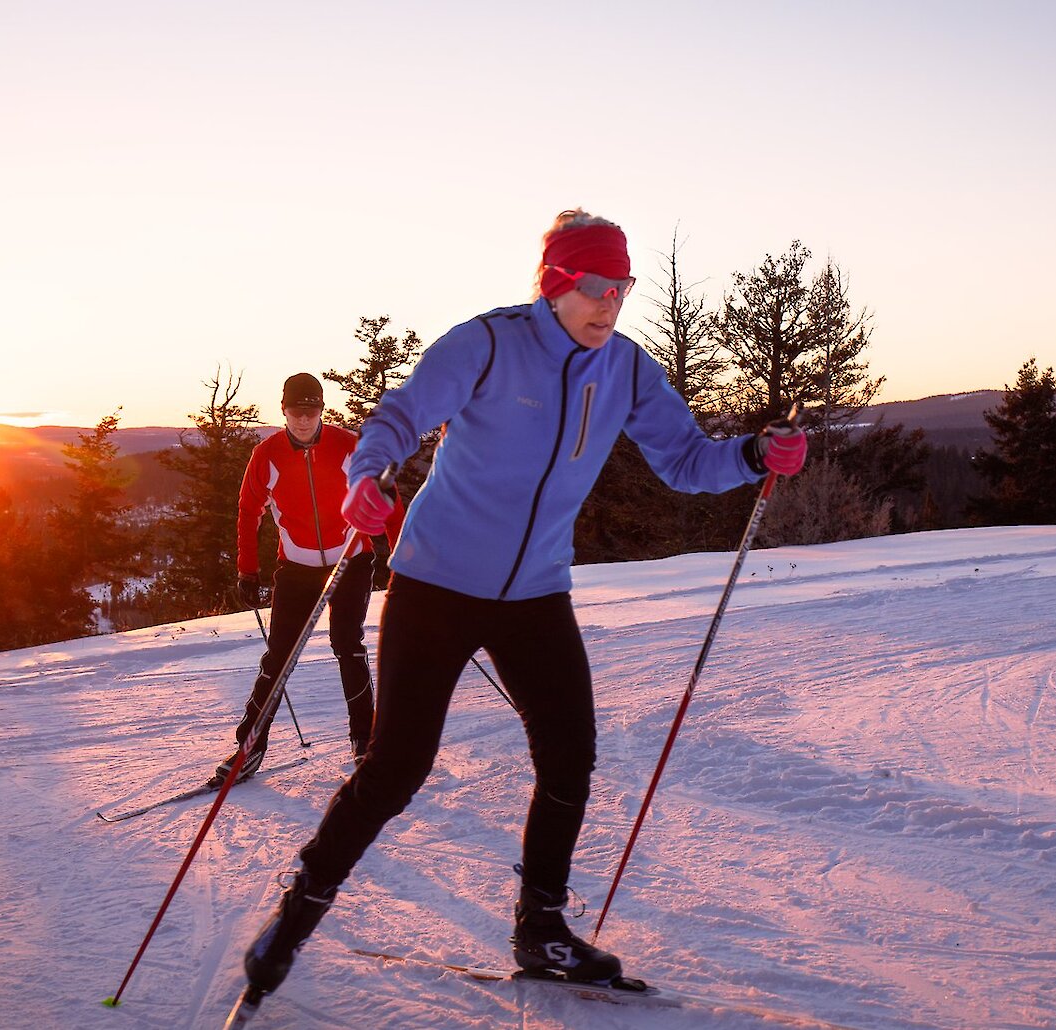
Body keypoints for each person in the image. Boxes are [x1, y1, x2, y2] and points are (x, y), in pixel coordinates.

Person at [237, 210, 807, 995]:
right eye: (598, 288)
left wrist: (752, 454)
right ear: (557, 285)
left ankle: (541, 929)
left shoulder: (629, 371)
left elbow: (684, 461)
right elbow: (397, 418)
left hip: (536, 590)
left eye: (623, 288)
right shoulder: (490, 343)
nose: (612, 304)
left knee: (570, 752)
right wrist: (364, 480)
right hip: (436, 581)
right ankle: (297, 913)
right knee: (397, 767)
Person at [211, 372, 404, 788]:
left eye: (311, 410)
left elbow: (385, 494)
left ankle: (364, 739)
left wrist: (401, 549)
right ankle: (250, 748)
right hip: (297, 569)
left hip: (349, 561)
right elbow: (249, 511)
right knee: (280, 655)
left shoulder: (348, 445)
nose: (304, 419)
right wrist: (248, 568)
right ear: (284, 410)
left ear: (321, 409)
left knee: (348, 645)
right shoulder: (267, 454)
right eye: (296, 411)